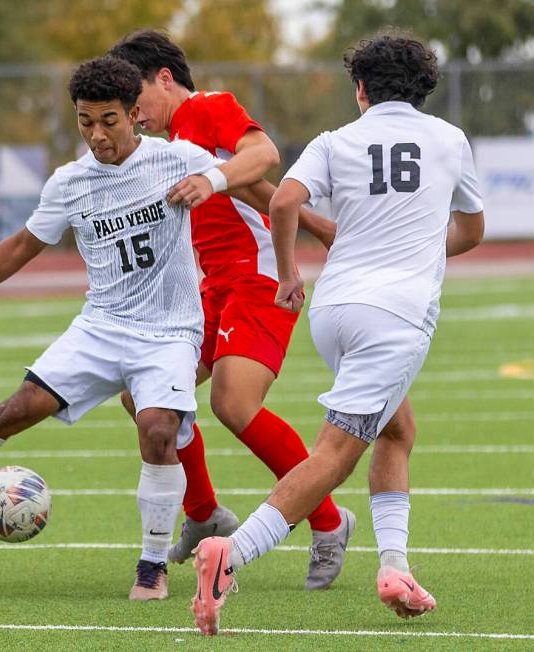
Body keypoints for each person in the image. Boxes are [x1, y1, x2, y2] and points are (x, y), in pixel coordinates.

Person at [0, 55, 266, 602]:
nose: (97, 135)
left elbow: (258, 160)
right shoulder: (71, 182)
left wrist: (213, 182)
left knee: (159, 430)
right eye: (85, 122)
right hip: (99, 328)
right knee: (15, 410)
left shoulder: (177, 160)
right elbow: (23, 246)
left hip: (170, 332)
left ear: (134, 114)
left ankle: (151, 567)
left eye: (109, 121)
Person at [190, 33, 486, 635]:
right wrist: (426, 251)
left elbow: (283, 205)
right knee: (334, 456)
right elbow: (473, 231)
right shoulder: (450, 139)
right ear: (423, 88)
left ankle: (395, 568)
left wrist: (291, 273)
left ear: (360, 90)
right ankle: (231, 555)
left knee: (397, 429)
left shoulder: (335, 141)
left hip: (335, 312)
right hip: (395, 317)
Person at [109, 30, 353, 590]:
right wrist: (314, 225)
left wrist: (213, 179)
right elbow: (251, 189)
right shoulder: (167, 146)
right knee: (145, 396)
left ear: (164, 78)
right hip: (211, 288)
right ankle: (203, 513)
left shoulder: (209, 108)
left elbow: (263, 156)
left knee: (232, 403)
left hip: (256, 279)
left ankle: (329, 520)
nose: (131, 112)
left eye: (134, 97)